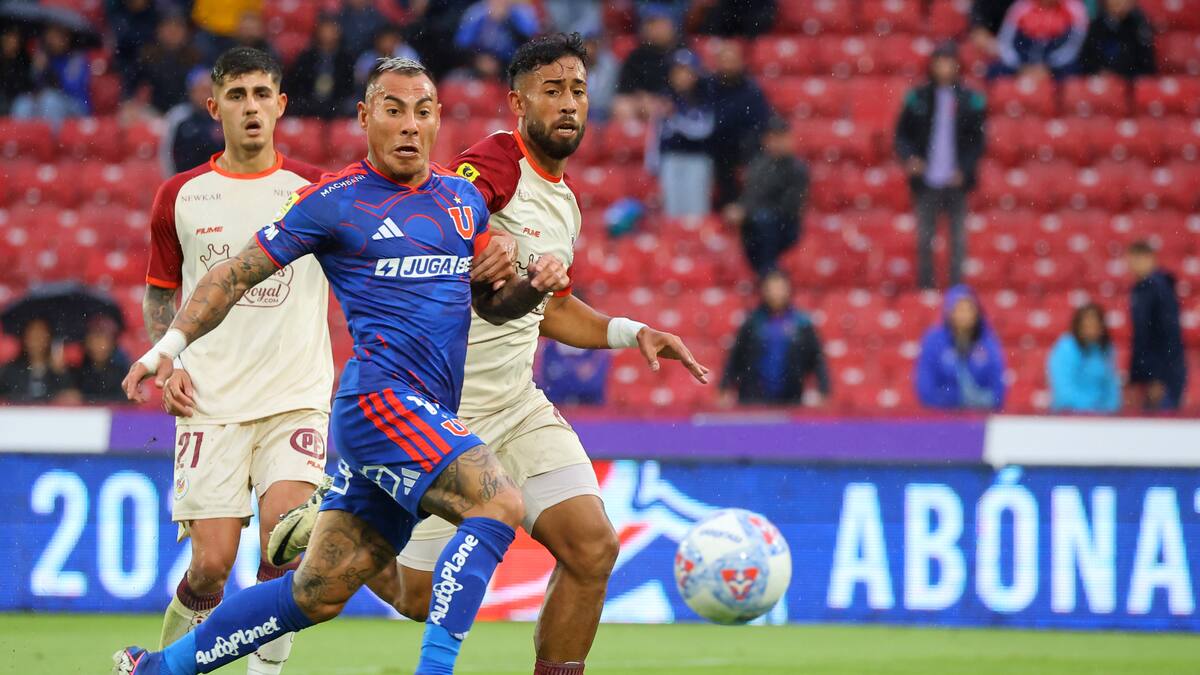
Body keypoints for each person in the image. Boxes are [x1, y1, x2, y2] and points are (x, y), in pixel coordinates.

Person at [270, 33, 709, 675]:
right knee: (418, 601)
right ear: (517, 102)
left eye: (578, 91)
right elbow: (443, 223)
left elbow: (548, 307)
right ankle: (339, 516)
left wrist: (629, 331)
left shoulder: (563, 202)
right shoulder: (493, 168)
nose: (567, 105)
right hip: (441, 415)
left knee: (593, 549)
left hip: (517, 404)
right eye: (551, 91)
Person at [113, 55, 561, 675]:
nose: (410, 125)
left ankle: (159, 668)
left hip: (421, 414)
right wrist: (167, 348)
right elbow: (233, 275)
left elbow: (495, 304)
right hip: (380, 404)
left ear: (437, 122)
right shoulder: (335, 201)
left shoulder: (462, 202)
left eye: (423, 112)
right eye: (394, 110)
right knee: (499, 505)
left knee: (314, 594)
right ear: (364, 117)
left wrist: (532, 285)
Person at [135, 47, 332, 675]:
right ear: (213, 105)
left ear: (281, 105)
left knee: (288, 542)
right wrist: (171, 365)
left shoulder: (317, 192)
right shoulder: (181, 195)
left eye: (262, 94)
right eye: (238, 94)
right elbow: (161, 294)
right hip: (211, 400)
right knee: (211, 566)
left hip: (294, 395)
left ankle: (263, 672)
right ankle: (166, 665)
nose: (251, 107)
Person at [895, 42, 987, 290]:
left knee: (958, 241)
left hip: (957, 181)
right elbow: (902, 135)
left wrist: (964, 169)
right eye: (940, 62)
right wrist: (910, 158)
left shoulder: (971, 100)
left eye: (949, 62)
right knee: (925, 239)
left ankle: (957, 290)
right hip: (926, 179)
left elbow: (978, 141)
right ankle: (926, 288)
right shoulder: (917, 97)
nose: (944, 68)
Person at [720, 271, 829, 406]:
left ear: (788, 290)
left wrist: (824, 390)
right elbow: (735, 357)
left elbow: (817, 358)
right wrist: (724, 387)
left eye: (780, 288)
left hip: (791, 397)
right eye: (771, 288)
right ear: (763, 291)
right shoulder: (753, 321)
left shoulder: (802, 323)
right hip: (752, 397)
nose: (776, 293)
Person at [724, 116, 809, 277]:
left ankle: (768, 275)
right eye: (773, 138)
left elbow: (789, 206)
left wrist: (748, 212)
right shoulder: (758, 164)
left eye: (781, 137)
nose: (777, 142)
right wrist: (739, 209)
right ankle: (759, 275)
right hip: (754, 223)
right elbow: (750, 195)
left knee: (765, 220)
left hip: (784, 227)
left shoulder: (797, 169)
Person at [915, 285, 1006, 410]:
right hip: (942, 418)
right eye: (959, 309)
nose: (964, 314)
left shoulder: (989, 342)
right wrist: (956, 399)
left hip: (980, 418)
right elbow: (925, 386)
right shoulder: (934, 341)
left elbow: (998, 389)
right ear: (949, 312)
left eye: (968, 309)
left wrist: (981, 400)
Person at [708, 39, 772, 208]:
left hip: (745, 146)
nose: (728, 65)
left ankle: (748, 208)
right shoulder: (709, 87)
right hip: (715, 147)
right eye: (724, 60)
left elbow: (761, 121)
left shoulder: (752, 90)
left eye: (732, 60)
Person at [655, 49, 717, 217]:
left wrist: (676, 118)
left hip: (697, 158)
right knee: (672, 211)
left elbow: (704, 129)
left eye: (686, 71)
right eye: (677, 71)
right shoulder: (667, 96)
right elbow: (656, 133)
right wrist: (654, 162)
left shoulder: (704, 96)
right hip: (671, 158)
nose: (682, 76)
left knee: (696, 211)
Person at [1127, 241, 1187, 411]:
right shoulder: (1141, 289)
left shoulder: (1158, 289)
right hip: (1153, 371)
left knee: (1162, 423)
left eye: (1137, 258)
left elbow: (1168, 335)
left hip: (1163, 373)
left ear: (1150, 258)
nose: (1132, 264)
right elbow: (1141, 337)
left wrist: (1158, 377)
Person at [1047, 303, 1122, 413]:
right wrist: (1090, 409)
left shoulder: (1106, 349)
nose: (1091, 328)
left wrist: (1107, 410)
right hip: (1070, 416)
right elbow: (1063, 390)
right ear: (1078, 325)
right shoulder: (1066, 348)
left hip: (1102, 419)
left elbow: (1111, 387)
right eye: (1087, 324)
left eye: (1095, 324)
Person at [12, 25, 90, 125]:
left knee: (50, 101)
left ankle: (53, 140)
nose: (52, 40)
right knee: (23, 103)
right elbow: (34, 87)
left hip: (76, 105)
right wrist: (37, 71)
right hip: (46, 100)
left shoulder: (76, 58)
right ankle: (21, 139)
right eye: (50, 36)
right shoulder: (44, 56)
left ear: (67, 37)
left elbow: (71, 88)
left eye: (56, 36)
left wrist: (49, 71)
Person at [992, 0, 1089, 79]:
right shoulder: (1021, 6)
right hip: (1023, 60)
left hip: (1058, 65)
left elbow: (1073, 46)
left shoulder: (1074, 8)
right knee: (996, 73)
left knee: (1074, 77)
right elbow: (1005, 43)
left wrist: (1049, 68)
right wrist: (1021, 67)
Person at [614, 7, 681, 117]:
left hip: (675, 104)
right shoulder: (637, 56)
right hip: (643, 104)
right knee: (621, 106)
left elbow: (687, 87)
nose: (656, 30)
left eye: (661, 24)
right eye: (651, 25)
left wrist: (662, 101)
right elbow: (626, 87)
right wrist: (643, 99)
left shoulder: (681, 52)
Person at [286, 13, 355, 119]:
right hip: (309, 102)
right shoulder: (306, 57)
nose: (327, 35)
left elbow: (350, 86)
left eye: (331, 30)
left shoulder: (346, 58)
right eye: (324, 30)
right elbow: (297, 83)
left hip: (337, 102)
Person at [135, 12, 204, 114]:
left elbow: (198, 90)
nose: (173, 31)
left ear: (186, 32)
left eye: (178, 27)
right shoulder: (146, 56)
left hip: (185, 111)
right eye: (168, 26)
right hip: (151, 111)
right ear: (159, 30)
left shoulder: (195, 58)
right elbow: (136, 87)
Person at [160, 67, 223, 176]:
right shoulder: (179, 117)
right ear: (192, 92)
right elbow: (167, 153)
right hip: (187, 180)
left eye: (210, 90)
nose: (207, 95)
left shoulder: (223, 117)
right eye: (203, 90)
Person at [0, 318, 78, 404]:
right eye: (33, 335)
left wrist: (61, 373)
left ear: (49, 338)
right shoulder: (11, 370)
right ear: (24, 338)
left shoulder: (59, 370)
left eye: (41, 335)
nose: (37, 340)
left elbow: (73, 397)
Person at [1079, 0, 1156, 78]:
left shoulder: (1138, 25)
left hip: (1129, 81)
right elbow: (1086, 59)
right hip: (1100, 80)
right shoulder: (1096, 26)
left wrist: (1121, 76)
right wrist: (1099, 72)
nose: (1119, 2)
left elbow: (1145, 63)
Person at [454, 0, 540, 67]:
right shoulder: (476, 13)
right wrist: (478, 59)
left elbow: (529, 42)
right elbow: (462, 46)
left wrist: (507, 20)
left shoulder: (521, 12)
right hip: (480, 64)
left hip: (514, 62)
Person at [72, 317, 132, 404]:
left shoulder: (123, 373)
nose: (99, 345)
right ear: (86, 342)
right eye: (94, 339)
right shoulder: (75, 372)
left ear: (112, 343)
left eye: (103, 339)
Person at [540, 340, 610, 406]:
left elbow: (595, 386)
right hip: (557, 403)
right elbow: (549, 382)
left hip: (589, 404)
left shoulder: (595, 350)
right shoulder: (550, 349)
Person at [0, 26, 33, 116]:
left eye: (15, 38)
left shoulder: (24, 59)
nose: (12, 42)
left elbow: (27, 84)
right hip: (3, 98)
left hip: (17, 98)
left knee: (23, 105)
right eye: (9, 38)